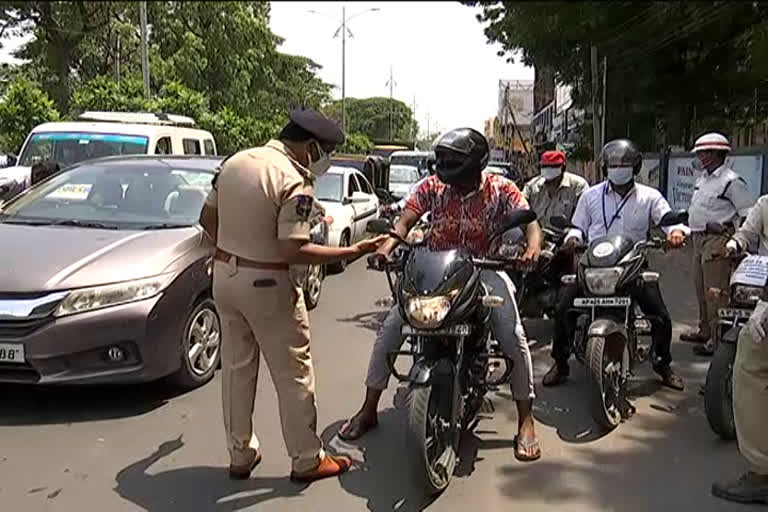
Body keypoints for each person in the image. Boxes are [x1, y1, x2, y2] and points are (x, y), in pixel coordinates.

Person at [198, 108, 386, 483]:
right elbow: (293, 249)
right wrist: (354, 252)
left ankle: (241, 453)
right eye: (326, 152)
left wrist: (227, 251)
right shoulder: (293, 180)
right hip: (268, 284)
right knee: (294, 375)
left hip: (224, 278)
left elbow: (207, 218)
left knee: (236, 370)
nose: (325, 161)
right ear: (311, 147)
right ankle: (306, 458)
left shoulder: (235, 163)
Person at [338, 127, 546, 462]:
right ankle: (368, 409)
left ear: (476, 165)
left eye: (457, 169)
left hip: (485, 268)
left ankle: (525, 418)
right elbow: (404, 221)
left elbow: (529, 222)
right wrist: (388, 247)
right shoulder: (432, 187)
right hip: (434, 272)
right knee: (391, 329)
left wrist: (533, 248)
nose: (451, 178)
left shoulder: (501, 188)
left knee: (511, 333)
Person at [542, 138, 688, 390]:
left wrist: (675, 232)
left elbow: (668, 220)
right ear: (605, 167)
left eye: (624, 164)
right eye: (613, 164)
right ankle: (561, 363)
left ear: (636, 167)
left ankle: (662, 364)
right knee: (563, 308)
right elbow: (577, 227)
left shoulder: (650, 197)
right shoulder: (590, 196)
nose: (618, 169)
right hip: (593, 265)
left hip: (632, 265)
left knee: (660, 316)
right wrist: (573, 239)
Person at [712, 195, 768, 503]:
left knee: (752, 362)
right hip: (757, 278)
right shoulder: (764, 205)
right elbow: (746, 233)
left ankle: (762, 473)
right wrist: (734, 245)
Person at [680, 133, 754, 356]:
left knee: (716, 293)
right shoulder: (703, 179)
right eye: (700, 153)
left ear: (716, 154)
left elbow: (747, 215)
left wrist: (735, 241)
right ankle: (704, 330)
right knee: (700, 288)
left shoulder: (731, 181)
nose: (701, 157)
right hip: (698, 239)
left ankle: (717, 339)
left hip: (717, 241)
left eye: (705, 153)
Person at [522, 150, 588, 231]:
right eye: (547, 180)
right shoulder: (532, 186)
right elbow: (520, 207)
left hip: (565, 238)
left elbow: (583, 218)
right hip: (536, 237)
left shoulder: (578, 186)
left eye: (554, 180)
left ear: (563, 169)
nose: (550, 184)